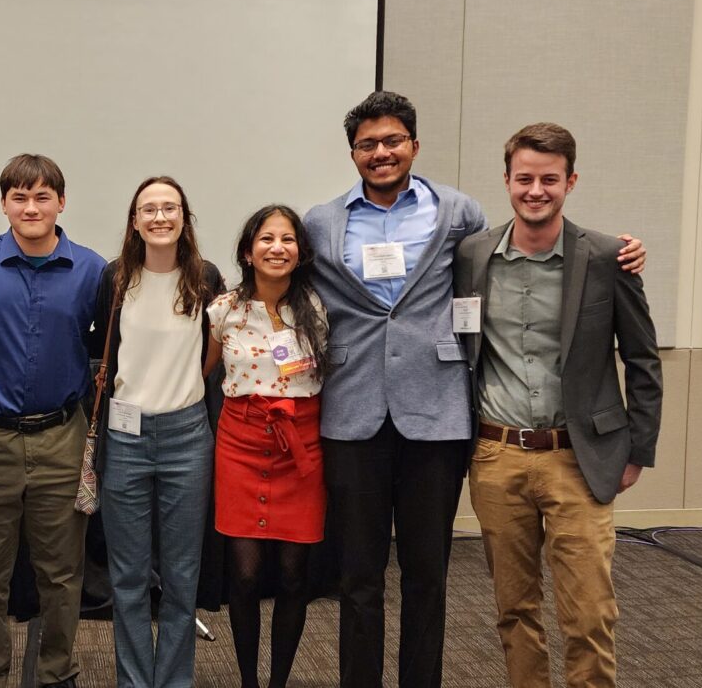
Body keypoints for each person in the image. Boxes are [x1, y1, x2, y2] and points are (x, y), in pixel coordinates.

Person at [302, 91, 647, 688]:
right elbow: (283, 280)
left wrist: (626, 253)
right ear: (353, 153)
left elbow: (512, 259)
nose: (381, 153)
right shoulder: (320, 222)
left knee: (428, 575)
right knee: (357, 577)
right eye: (368, 144)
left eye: (393, 141)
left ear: (413, 144)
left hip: (436, 416)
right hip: (352, 412)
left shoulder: (457, 213)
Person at [454, 123, 662, 688]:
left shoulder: (607, 257)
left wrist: (637, 450)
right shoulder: (472, 254)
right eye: (524, 179)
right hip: (497, 458)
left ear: (571, 181)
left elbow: (644, 361)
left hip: (580, 458)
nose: (536, 190)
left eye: (550, 179)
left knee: (589, 613)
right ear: (506, 181)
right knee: (513, 610)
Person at [0, 154, 105, 688]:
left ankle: (58, 673)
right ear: (4, 204)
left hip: (62, 437)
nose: (30, 207)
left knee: (62, 573)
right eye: (19, 196)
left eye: (42, 196)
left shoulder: (91, 269)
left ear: (61, 202)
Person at [88, 176, 223, 687]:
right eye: (150, 209)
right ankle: (134, 682)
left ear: (184, 217)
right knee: (127, 577)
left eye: (170, 208)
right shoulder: (116, 278)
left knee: (183, 576)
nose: (160, 217)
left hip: (188, 437)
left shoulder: (206, 278)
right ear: (135, 220)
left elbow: (217, 354)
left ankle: (173, 681)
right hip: (124, 438)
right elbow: (103, 353)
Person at [205, 205, 330, 688]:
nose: (277, 248)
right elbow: (200, 375)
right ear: (247, 251)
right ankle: (249, 682)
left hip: (301, 448)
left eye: (287, 240)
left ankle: (278, 681)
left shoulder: (318, 308)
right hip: (240, 443)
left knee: (296, 574)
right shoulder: (223, 310)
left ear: (300, 252)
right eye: (266, 239)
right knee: (244, 575)